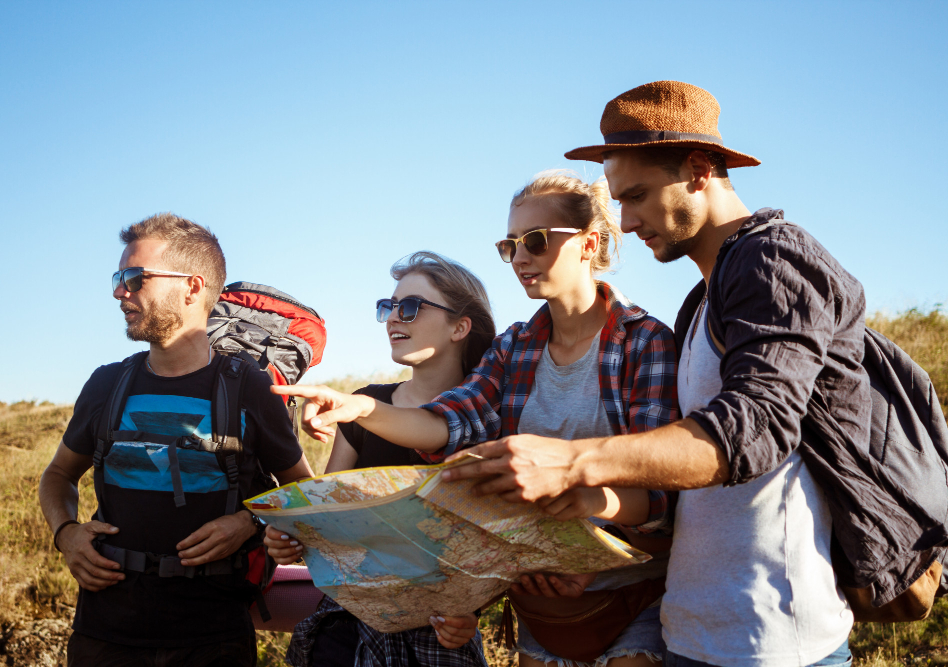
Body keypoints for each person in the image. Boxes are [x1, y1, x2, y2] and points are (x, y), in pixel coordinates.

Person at [439, 81, 865, 667]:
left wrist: (571, 462)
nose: (626, 221)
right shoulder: (700, 304)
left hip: (776, 638)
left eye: (636, 195)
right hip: (693, 629)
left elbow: (754, 429)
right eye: (618, 200)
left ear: (698, 169)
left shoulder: (774, 259)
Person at [279, 172, 680, 667]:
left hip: (631, 595)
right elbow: (449, 422)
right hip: (542, 602)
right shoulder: (515, 346)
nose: (520, 257)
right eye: (509, 245)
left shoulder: (645, 342)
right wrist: (362, 408)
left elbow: (660, 491)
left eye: (535, 240)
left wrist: (576, 504)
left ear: (588, 244)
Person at [38, 213, 313, 667]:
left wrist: (252, 522)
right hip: (104, 631)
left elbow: (305, 492)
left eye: (134, 277)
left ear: (191, 286)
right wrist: (66, 535)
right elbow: (58, 476)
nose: (118, 291)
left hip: (214, 636)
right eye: (118, 277)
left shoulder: (249, 388)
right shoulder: (106, 384)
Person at [268, 251, 496, 667]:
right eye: (388, 307)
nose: (393, 318)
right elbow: (323, 518)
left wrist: (468, 615)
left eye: (410, 308)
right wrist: (288, 538)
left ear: (460, 326)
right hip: (345, 633)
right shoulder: (364, 404)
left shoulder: (487, 421)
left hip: (440, 641)